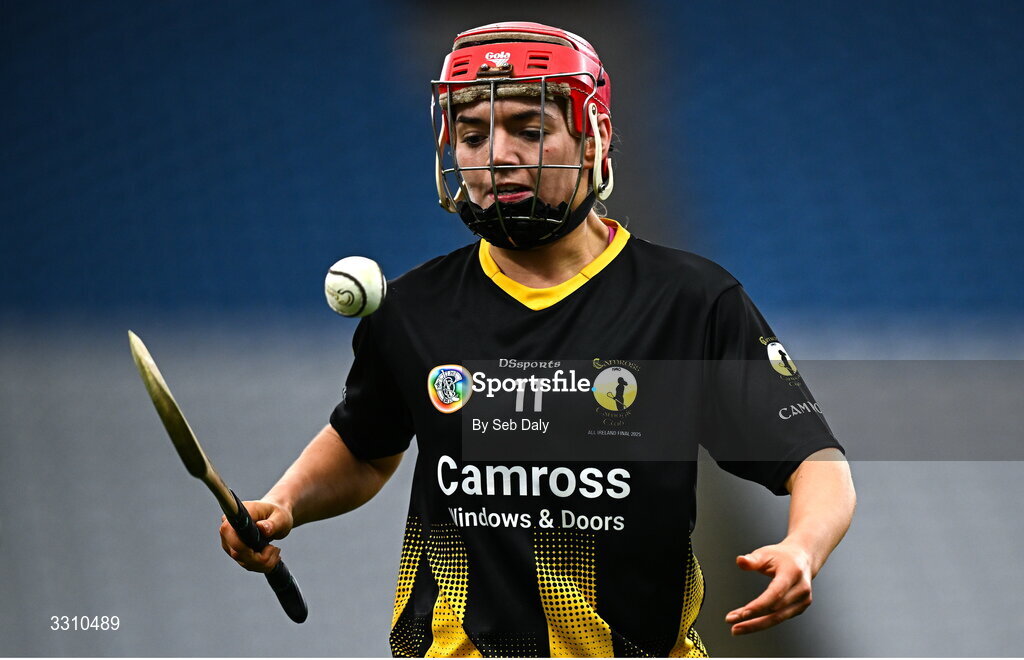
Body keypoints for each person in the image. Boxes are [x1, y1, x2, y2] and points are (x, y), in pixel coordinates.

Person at [220, 21, 856, 657]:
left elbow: (815, 462)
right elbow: (364, 449)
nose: (496, 155)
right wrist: (284, 504)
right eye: (472, 135)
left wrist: (803, 546)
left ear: (595, 138)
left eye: (529, 130)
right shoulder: (411, 309)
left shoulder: (689, 302)